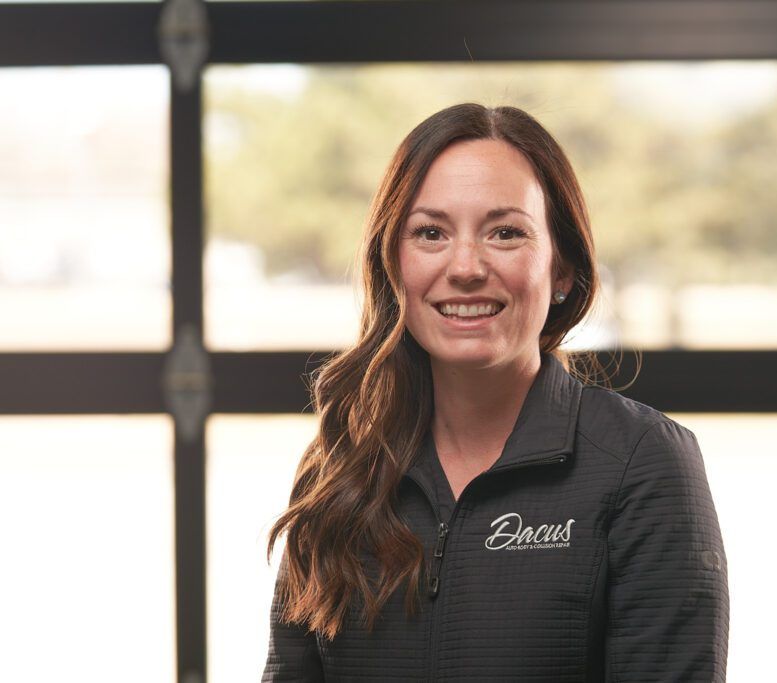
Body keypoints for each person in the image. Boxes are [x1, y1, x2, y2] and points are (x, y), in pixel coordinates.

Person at [262, 102, 729, 682]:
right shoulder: (344, 466)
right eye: (430, 233)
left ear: (562, 269)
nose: (465, 267)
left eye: (505, 233)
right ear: (393, 264)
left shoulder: (642, 461)